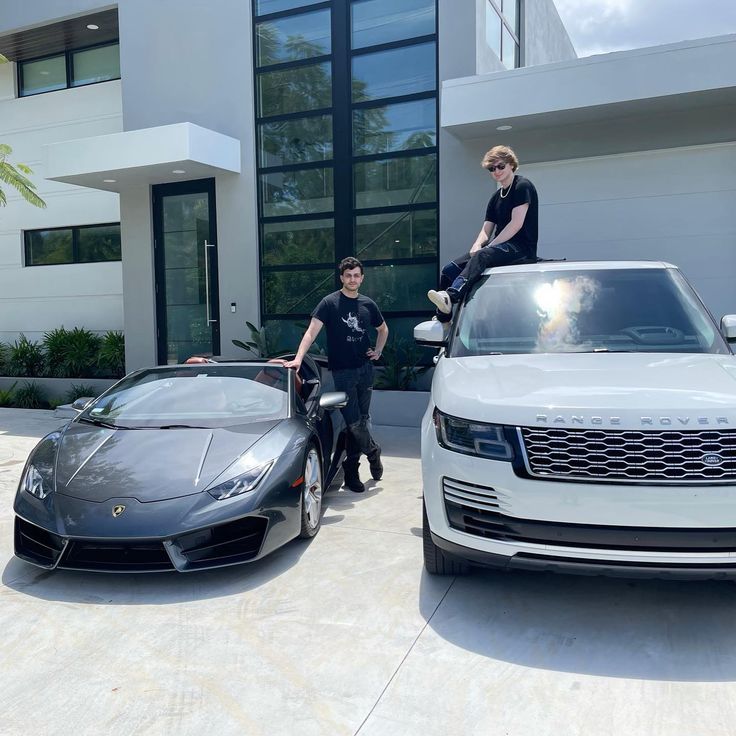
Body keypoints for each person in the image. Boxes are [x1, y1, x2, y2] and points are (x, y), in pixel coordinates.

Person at [284, 257, 389, 493]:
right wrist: (299, 359)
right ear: (342, 277)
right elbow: (311, 333)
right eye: (348, 275)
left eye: (356, 275)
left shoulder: (368, 304)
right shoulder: (329, 303)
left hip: (365, 370)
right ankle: (373, 451)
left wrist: (379, 350)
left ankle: (352, 471)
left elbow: (383, 329)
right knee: (353, 424)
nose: (352, 279)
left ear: (361, 278)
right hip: (343, 373)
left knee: (361, 421)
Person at [428, 145, 538, 316]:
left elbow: (515, 224)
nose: (496, 171)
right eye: (491, 168)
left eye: (500, 166)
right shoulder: (496, 197)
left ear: (511, 164)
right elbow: (486, 228)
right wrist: (477, 245)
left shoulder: (522, 186)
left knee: (483, 255)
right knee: (448, 270)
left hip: (521, 248)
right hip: (500, 247)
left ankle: (451, 295)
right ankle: (444, 318)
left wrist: (489, 247)